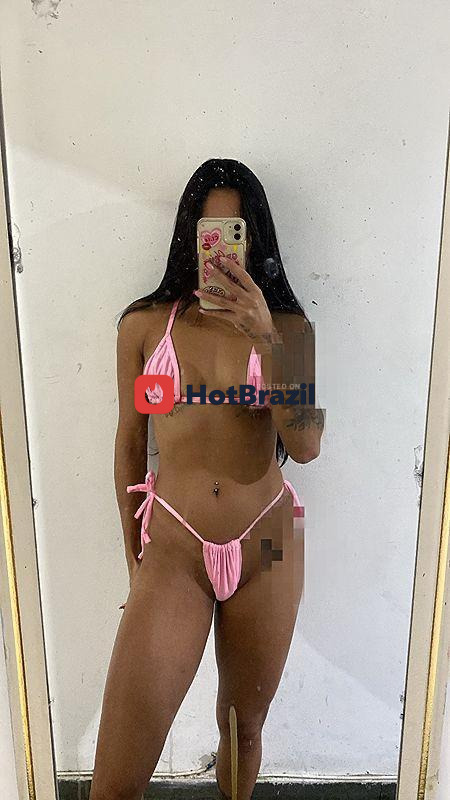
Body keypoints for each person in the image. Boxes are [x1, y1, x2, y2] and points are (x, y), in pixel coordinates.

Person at [89, 158, 324, 800]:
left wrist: (266, 338)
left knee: (242, 728)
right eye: (208, 232)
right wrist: (133, 560)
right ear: (189, 235)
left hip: (267, 544)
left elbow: (305, 445)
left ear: (255, 241)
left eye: (234, 234)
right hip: (176, 548)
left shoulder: (291, 331)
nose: (220, 251)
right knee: (116, 777)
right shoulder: (144, 327)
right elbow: (130, 444)